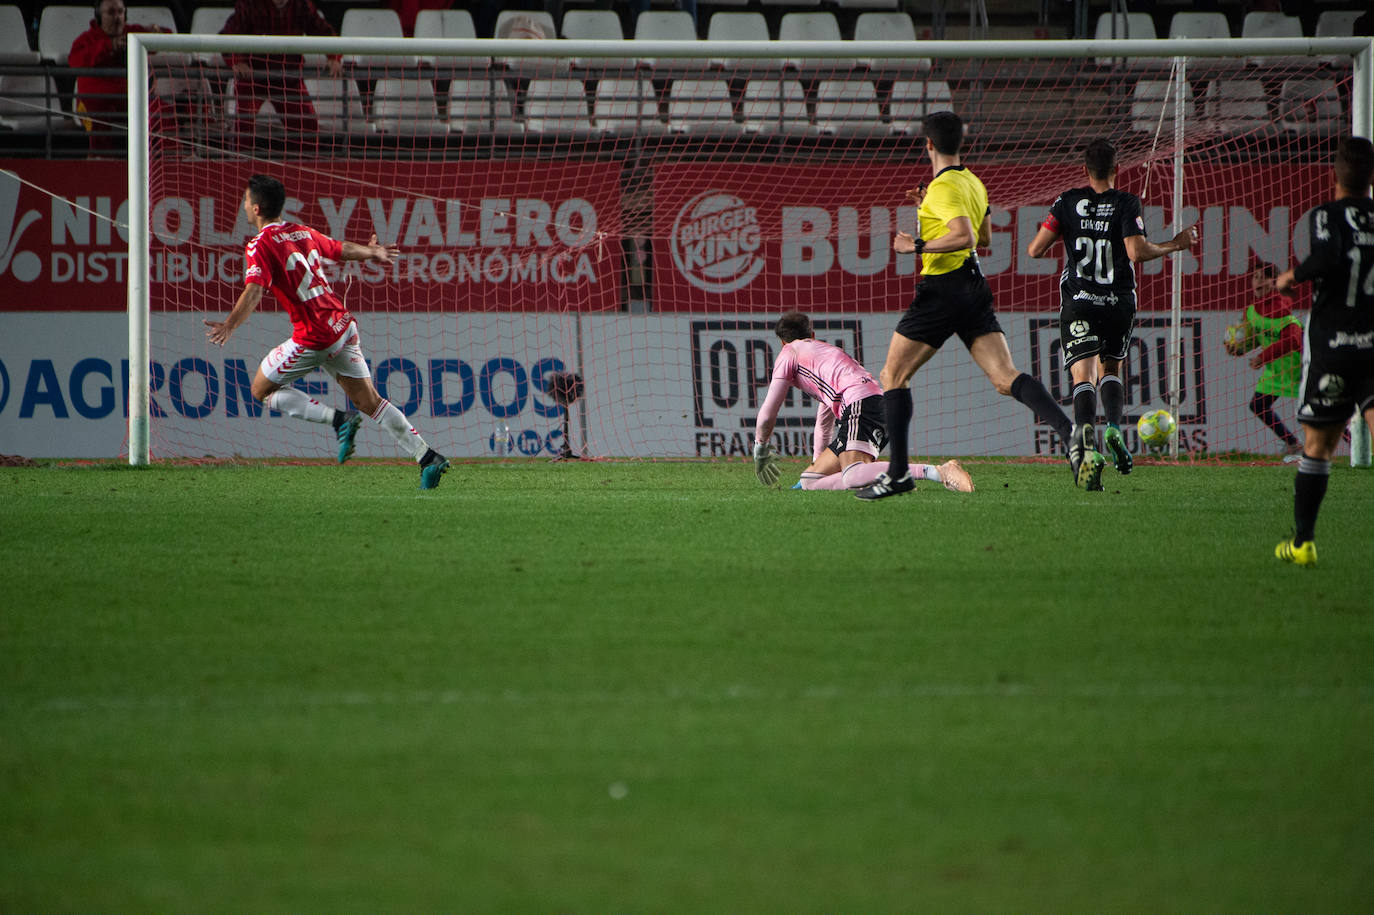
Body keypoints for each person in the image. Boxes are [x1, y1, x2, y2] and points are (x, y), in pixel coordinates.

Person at [855, 110, 1074, 501]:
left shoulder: (944, 188)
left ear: (928, 145)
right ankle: (1070, 434)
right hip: (975, 287)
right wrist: (930, 207)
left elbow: (966, 235)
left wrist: (915, 245)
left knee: (892, 375)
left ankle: (899, 474)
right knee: (1005, 377)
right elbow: (986, 237)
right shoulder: (972, 182)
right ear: (962, 142)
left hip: (943, 289)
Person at [205, 175, 451, 489]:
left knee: (260, 390)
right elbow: (340, 249)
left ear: (255, 208)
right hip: (342, 326)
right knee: (370, 402)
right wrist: (372, 253)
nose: (243, 207)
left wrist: (229, 325)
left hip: (314, 336)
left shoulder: (259, 245)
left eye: (244, 202)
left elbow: (254, 290)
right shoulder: (301, 231)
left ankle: (338, 420)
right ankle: (428, 458)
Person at [1025, 138, 1199, 490]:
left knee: (1082, 376)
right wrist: (1176, 244)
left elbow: (1035, 250)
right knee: (1112, 367)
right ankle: (1116, 429)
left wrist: (1069, 235)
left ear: (1085, 170)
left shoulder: (1067, 201)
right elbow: (1137, 252)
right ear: (1116, 169)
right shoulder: (1126, 202)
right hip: (1118, 301)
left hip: (1080, 301)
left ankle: (1087, 440)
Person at [1270, 136, 1374, 566]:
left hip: (1334, 346)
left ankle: (1303, 543)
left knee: (1318, 446)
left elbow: (1328, 257)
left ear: (1335, 173)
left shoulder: (1326, 216)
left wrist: (1291, 276)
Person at [753, 311, 973, 493]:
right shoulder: (826, 355)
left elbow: (768, 412)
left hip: (861, 406)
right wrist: (817, 463)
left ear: (782, 342)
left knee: (851, 475)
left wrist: (760, 447)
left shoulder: (788, 352)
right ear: (812, 334)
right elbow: (824, 421)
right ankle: (876, 477)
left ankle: (937, 471)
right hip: (873, 404)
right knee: (811, 479)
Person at [219, 0, 343, 150]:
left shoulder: (302, 4)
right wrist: (235, 61)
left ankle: (306, 168)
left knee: (308, 130)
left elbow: (322, 30)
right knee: (243, 126)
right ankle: (237, 164)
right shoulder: (249, 4)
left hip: (288, 79)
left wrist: (334, 56)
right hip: (252, 78)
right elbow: (227, 35)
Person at [68, 0, 172, 154]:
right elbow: (74, 62)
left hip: (129, 98)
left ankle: (169, 159)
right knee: (99, 115)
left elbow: (167, 36)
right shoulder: (87, 39)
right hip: (94, 101)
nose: (117, 18)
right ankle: (100, 161)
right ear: (98, 16)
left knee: (161, 110)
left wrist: (157, 31)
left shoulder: (132, 33)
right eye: (111, 12)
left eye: (120, 12)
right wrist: (109, 46)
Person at [1226, 263, 1304, 459]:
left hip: (1299, 367)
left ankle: (1356, 445)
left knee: (1322, 411)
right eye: (1255, 276)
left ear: (1275, 281)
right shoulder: (1251, 311)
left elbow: (1293, 339)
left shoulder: (1281, 307)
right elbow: (1255, 339)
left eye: (1263, 276)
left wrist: (1263, 357)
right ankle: (1293, 444)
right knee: (1258, 405)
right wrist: (1238, 349)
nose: (1258, 281)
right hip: (1276, 370)